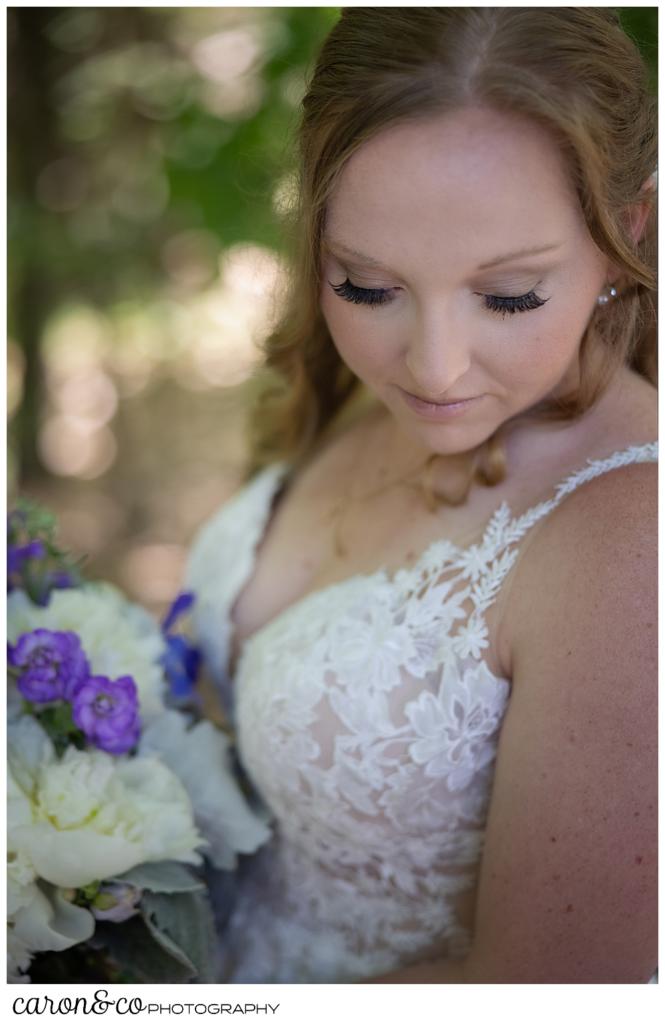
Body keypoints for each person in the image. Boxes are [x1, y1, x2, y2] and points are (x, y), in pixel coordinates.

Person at [186, 7, 657, 983]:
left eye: (509, 295)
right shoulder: (359, 396)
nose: (433, 369)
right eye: (365, 285)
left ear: (625, 237)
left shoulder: (631, 538)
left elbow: (550, 992)